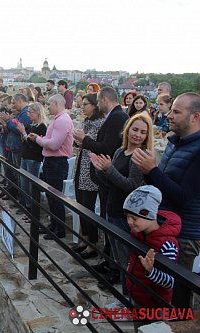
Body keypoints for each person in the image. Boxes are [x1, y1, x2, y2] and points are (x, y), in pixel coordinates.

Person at [131, 92, 200, 309]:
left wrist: (153, 170)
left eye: (177, 111)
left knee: (177, 295)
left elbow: (184, 196)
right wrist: (148, 172)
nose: (170, 115)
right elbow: (163, 186)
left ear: (195, 117)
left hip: (184, 234)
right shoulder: (175, 142)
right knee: (156, 287)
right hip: (166, 226)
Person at [90, 113, 152, 293]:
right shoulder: (120, 151)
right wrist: (101, 170)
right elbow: (110, 184)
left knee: (127, 263)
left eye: (142, 132)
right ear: (127, 130)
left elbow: (131, 186)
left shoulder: (140, 156)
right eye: (135, 130)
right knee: (119, 260)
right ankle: (126, 298)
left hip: (126, 216)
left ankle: (129, 301)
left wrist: (109, 169)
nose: (137, 135)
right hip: (113, 210)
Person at [73, 87, 129, 273]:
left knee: (110, 220)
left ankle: (112, 264)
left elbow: (106, 147)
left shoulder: (116, 117)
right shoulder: (115, 116)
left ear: (104, 99)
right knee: (106, 217)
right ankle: (108, 260)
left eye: (98, 101)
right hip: (106, 175)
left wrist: (85, 139)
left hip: (111, 174)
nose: (97, 105)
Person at [122, 186, 180, 330]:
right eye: (127, 217)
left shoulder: (167, 245)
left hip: (155, 305)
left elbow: (169, 282)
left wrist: (151, 271)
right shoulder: (139, 232)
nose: (129, 222)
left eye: (134, 218)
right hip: (139, 294)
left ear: (150, 215)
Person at [29, 94, 74, 239]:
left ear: (56, 103)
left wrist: (38, 139)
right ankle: (54, 225)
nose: (47, 107)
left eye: (49, 104)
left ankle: (59, 229)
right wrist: (43, 140)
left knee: (55, 197)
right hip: (52, 161)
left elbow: (54, 144)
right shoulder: (59, 119)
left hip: (56, 162)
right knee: (51, 196)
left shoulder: (62, 120)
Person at [72, 94, 105, 256]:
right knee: (80, 205)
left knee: (88, 207)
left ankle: (92, 243)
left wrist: (84, 140)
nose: (82, 107)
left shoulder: (101, 123)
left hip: (91, 169)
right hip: (81, 166)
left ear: (95, 105)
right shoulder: (87, 121)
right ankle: (84, 239)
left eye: (86, 104)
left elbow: (99, 146)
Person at [15, 102, 48, 215]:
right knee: (23, 183)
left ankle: (31, 210)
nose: (28, 114)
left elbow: (34, 146)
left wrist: (24, 133)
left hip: (33, 158)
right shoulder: (32, 125)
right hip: (25, 156)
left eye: (31, 112)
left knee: (31, 186)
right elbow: (26, 141)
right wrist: (23, 132)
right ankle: (26, 206)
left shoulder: (42, 127)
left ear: (38, 112)